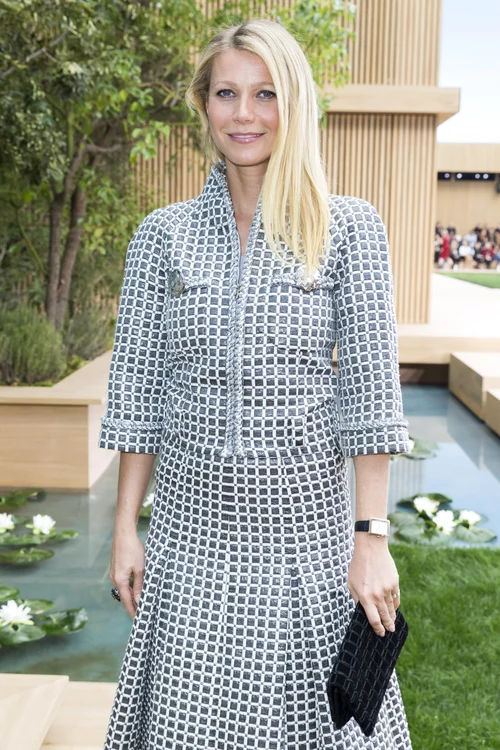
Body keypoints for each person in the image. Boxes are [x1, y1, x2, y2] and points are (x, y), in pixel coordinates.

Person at [98, 18, 413, 750]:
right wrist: (124, 529)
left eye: (266, 93)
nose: (245, 114)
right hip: (191, 547)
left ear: (293, 103)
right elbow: (139, 392)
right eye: (227, 93)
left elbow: (369, 389)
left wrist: (370, 539)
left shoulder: (348, 230)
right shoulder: (161, 237)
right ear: (203, 104)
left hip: (305, 547)